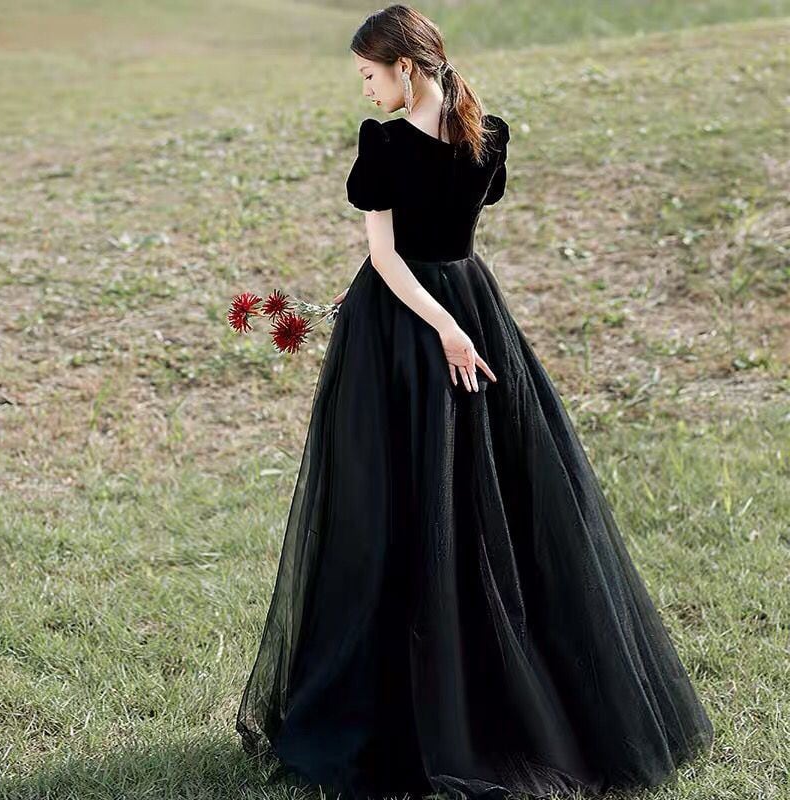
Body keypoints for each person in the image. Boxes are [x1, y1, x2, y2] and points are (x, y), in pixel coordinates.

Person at [236, 5, 714, 799]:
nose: (364, 87)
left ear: (406, 67)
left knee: (441, 503)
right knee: (437, 499)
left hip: (419, 328)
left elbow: (388, 257)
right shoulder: (478, 136)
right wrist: (452, 320)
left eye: (369, 73)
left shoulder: (403, 143)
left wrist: (448, 332)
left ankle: (449, 710)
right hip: (451, 311)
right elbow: (428, 241)